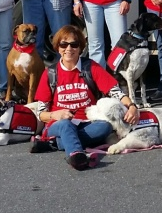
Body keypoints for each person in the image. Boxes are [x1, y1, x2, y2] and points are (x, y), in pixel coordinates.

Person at [30, 25, 140, 170]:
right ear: (58, 47)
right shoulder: (50, 73)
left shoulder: (90, 67)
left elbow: (115, 92)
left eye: (74, 44)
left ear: (80, 47)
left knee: (105, 126)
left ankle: (56, 143)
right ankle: (76, 156)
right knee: (65, 125)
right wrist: (55, 114)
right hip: (58, 124)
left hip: (87, 123)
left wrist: (132, 106)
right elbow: (41, 114)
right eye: (64, 44)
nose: (69, 49)